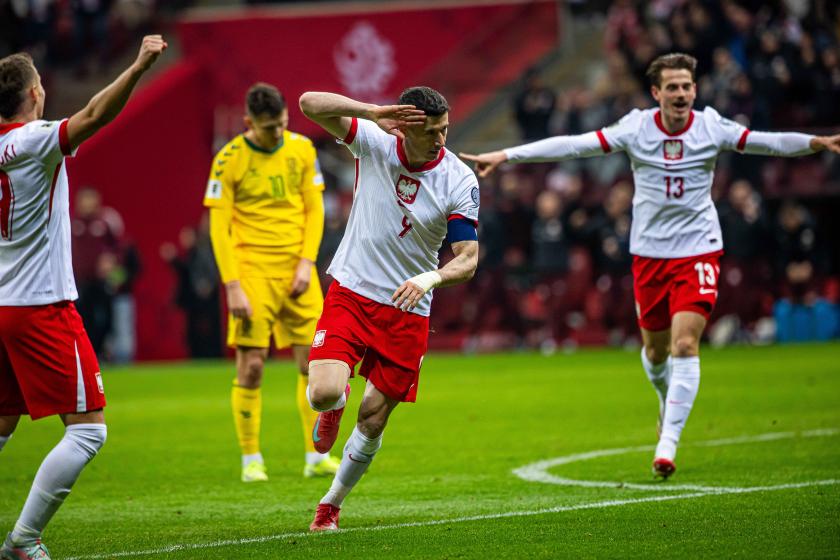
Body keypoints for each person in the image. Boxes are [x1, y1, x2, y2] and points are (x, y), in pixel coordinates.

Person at [461, 52, 840, 479]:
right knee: (656, 353)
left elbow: (765, 141)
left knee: (684, 345)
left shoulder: (711, 126)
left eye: (686, 86)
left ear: (695, 91)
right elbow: (574, 144)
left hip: (698, 249)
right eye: (672, 87)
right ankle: (666, 400)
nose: (680, 94)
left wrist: (818, 143)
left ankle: (668, 443)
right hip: (649, 255)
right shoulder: (636, 128)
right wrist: (507, 155)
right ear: (656, 93)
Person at [0, 35, 166, 560]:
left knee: (3, 424)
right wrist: (139, 64)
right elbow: (95, 114)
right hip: (40, 305)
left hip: (2, 305)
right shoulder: (33, 141)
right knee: (88, 432)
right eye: (42, 84)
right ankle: (23, 541)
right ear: (34, 93)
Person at [298, 86, 479, 530]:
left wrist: (430, 277)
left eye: (445, 129)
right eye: (432, 131)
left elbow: (468, 258)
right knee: (321, 392)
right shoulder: (374, 140)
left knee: (374, 417)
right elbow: (306, 103)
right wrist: (370, 111)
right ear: (404, 126)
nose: (441, 139)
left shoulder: (459, 179)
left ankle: (331, 504)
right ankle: (335, 401)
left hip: (408, 306)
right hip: (354, 290)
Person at [204, 83, 339, 482]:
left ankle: (315, 457)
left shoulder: (302, 149)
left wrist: (306, 264)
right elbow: (219, 227)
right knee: (252, 367)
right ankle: (251, 459)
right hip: (252, 272)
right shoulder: (228, 159)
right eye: (268, 128)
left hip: (297, 269)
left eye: (281, 124)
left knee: (313, 366)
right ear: (248, 123)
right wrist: (232, 285)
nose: (277, 133)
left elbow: (315, 211)